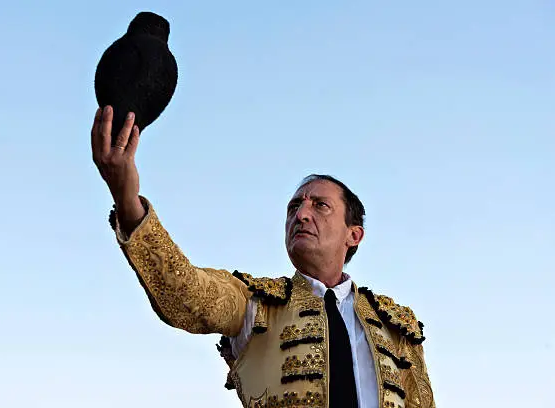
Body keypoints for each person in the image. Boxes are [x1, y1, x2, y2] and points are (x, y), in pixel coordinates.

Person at [91, 105, 436, 408]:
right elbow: (185, 294)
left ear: (353, 234)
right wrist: (127, 200)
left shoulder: (397, 326)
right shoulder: (255, 303)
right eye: (294, 207)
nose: (301, 215)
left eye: (320, 206)